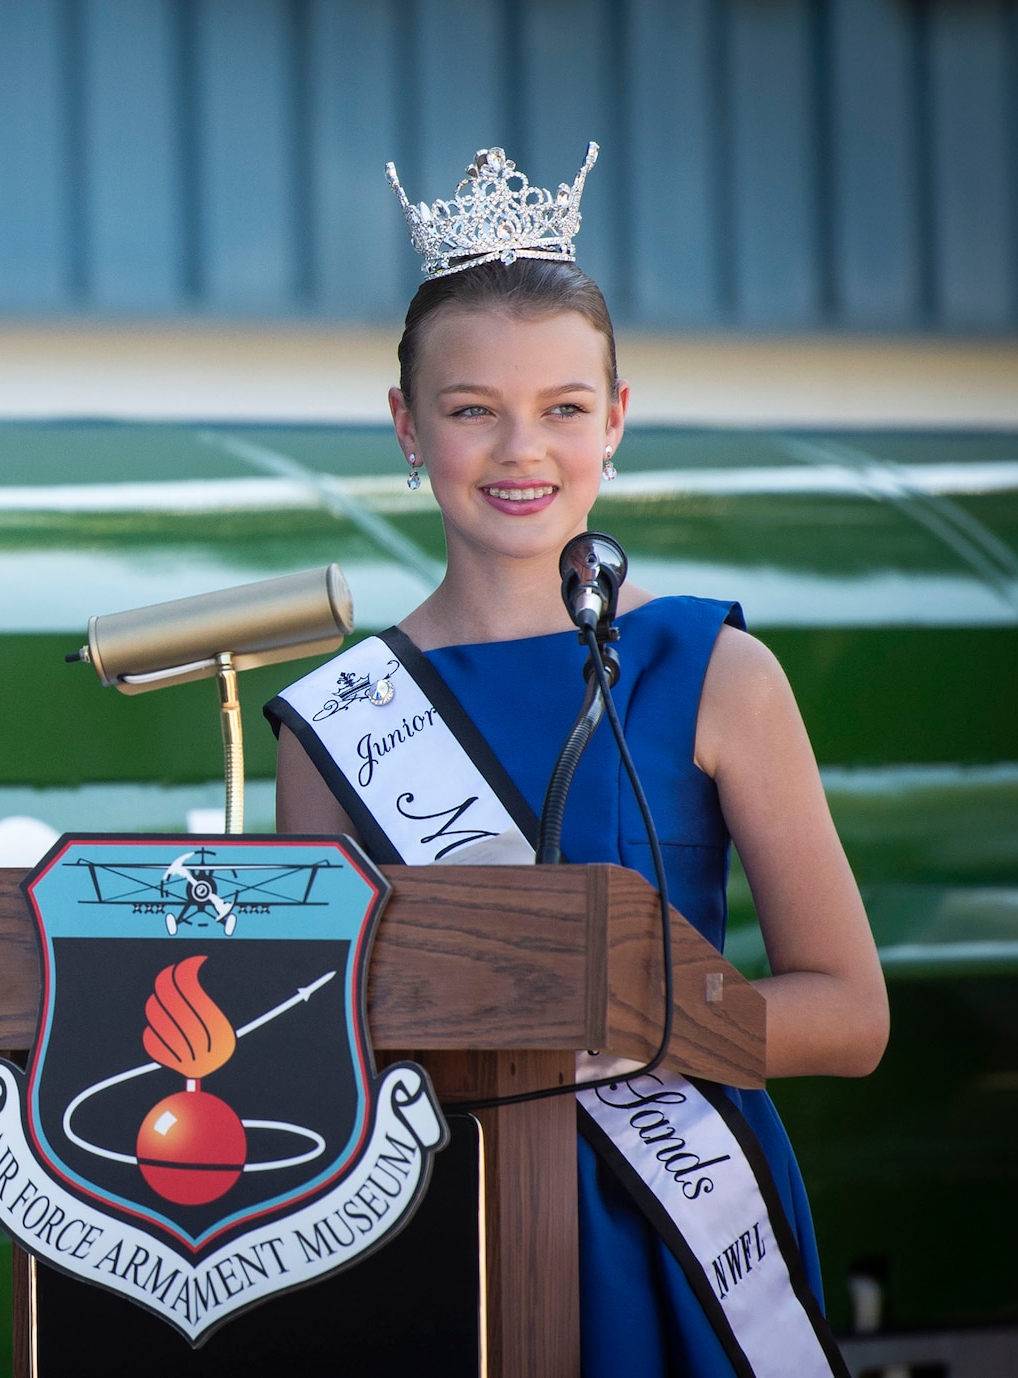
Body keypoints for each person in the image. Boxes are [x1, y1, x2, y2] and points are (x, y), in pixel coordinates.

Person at [267, 146, 888, 1376]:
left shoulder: (708, 671)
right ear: (406, 426)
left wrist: (644, 1026)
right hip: (439, 1238)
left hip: (678, 1240)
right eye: (468, 409)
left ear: (613, 419)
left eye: (560, 407)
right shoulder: (335, 719)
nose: (519, 450)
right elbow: (313, 1048)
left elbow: (849, 1015)